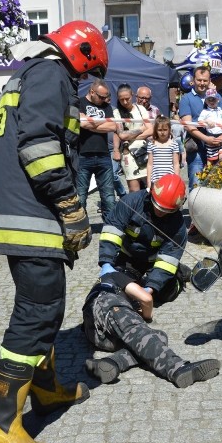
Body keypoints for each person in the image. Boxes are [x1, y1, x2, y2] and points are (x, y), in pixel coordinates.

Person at [0, 21, 107, 443]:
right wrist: (71, 206)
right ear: (85, 53)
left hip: (19, 212)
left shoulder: (30, 73)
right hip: (29, 215)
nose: (85, 82)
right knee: (35, 315)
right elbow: (39, 147)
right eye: (89, 73)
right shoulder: (52, 75)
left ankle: (46, 391)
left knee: (47, 307)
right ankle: (1, 422)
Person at [82, 268, 220, 388]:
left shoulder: (102, 284)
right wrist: (146, 316)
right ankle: (177, 368)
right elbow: (146, 299)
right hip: (106, 304)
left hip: (96, 334)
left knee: (158, 336)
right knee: (140, 331)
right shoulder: (114, 276)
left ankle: (113, 362)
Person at [99, 173, 188, 303]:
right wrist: (106, 263)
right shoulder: (131, 202)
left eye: (166, 210)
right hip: (128, 257)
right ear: (151, 193)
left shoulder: (178, 225)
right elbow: (111, 232)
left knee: (165, 292)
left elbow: (168, 258)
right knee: (118, 289)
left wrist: (151, 288)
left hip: (154, 261)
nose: (160, 212)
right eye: (157, 206)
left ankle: (178, 275)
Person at [179, 65, 222, 190]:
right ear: (193, 80)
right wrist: (206, 139)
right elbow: (189, 126)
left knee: (216, 184)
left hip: (217, 147)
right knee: (196, 185)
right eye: (199, 80)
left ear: (209, 81)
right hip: (197, 149)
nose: (202, 83)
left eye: (205, 80)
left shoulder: (218, 97)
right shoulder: (186, 99)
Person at [78, 79, 119, 217]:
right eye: (101, 97)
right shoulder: (79, 103)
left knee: (109, 197)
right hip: (83, 155)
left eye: (106, 97)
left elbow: (113, 126)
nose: (104, 100)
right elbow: (82, 124)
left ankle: (111, 226)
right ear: (91, 92)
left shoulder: (106, 106)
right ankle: (81, 228)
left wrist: (91, 122)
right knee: (81, 196)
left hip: (103, 155)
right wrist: (101, 122)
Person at [115, 84, 152, 193]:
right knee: (134, 189)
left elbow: (150, 129)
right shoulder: (116, 113)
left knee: (150, 186)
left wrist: (131, 137)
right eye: (122, 100)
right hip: (128, 154)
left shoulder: (141, 109)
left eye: (127, 99)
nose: (125, 102)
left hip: (144, 151)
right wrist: (141, 129)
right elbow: (121, 135)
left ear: (132, 95)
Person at [146, 115, 180, 187]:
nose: (162, 132)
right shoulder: (151, 144)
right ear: (156, 130)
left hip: (170, 180)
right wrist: (149, 182)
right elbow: (150, 164)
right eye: (160, 130)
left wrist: (177, 180)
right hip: (155, 180)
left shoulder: (174, 144)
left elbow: (176, 164)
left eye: (165, 130)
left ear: (169, 130)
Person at [197, 88, 222, 163]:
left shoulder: (220, 110)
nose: (211, 101)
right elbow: (199, 121)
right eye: (209, 100)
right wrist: (207, 121)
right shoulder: (205, 111)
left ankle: (219, 171)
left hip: (221, 136)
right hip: (211, 136)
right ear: (206, 101)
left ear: (217, 100)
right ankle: (209, 172)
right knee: (211, 159)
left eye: (213, 99)